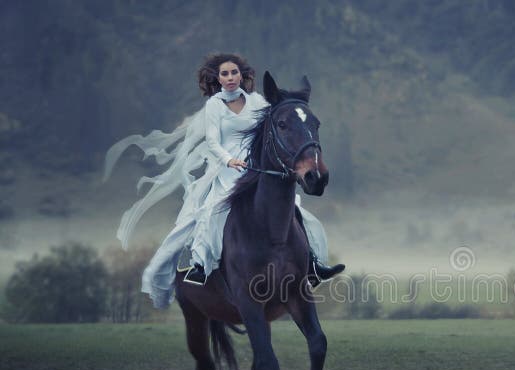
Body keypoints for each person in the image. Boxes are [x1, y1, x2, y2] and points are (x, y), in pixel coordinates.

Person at [104, 53, 344, 308]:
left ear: (242, 76)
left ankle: (315, 263)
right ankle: (201, 264)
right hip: (226, 169)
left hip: (256, 168)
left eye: (234, 73)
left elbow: (274, 128)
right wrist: (229, 160)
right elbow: (212, 141)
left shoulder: (257, 101)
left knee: (297, 212)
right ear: (217, 79)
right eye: (224, 74)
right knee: (211, 212)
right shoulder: (215, 106)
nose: (230, 78)